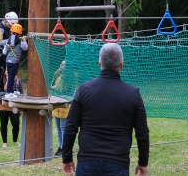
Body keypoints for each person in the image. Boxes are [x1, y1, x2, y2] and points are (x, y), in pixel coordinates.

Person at [61, 43, 149, 176]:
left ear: (99, 63)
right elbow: (142, 133)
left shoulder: (83, 90)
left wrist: (67, 158)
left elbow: (70, 127)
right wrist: (143, 162)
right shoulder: (133, 94)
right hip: (118, 164)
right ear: (121, 64)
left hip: (87, 163)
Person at [0, 69, 23, 147]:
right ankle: (4, 142)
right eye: (6, 70)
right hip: (2, 106)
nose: (7, 71)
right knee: (4, 123)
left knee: (16, 124)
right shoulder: (1, 80)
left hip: (14, 106)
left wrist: (21, 107)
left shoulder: (17, 81)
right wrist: (7, 80)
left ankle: (15, 140)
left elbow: (21, 94)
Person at [0, 23, 28, 97]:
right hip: (15, 62)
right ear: (19, 34)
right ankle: (9, 93)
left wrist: (6, 47)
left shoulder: (8, 40)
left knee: (10, 77)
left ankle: (11, 91)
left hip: (8, 61)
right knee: (11, 78)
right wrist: (24, 40)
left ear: (11, 32)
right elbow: (25, 48)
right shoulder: (20, 41)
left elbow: (4, 52)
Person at [51, 60, 70, 157]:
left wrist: (56, 88)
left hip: (64, 105)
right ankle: (60, 146)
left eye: (63, 65)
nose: (61, 67)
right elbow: (52, 83)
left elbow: (64, 89)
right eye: (61, 65)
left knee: (63, 127)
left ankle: (64, 147)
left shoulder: (69, 77)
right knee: (58, 128)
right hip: (56, 104)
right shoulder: (57, 75)